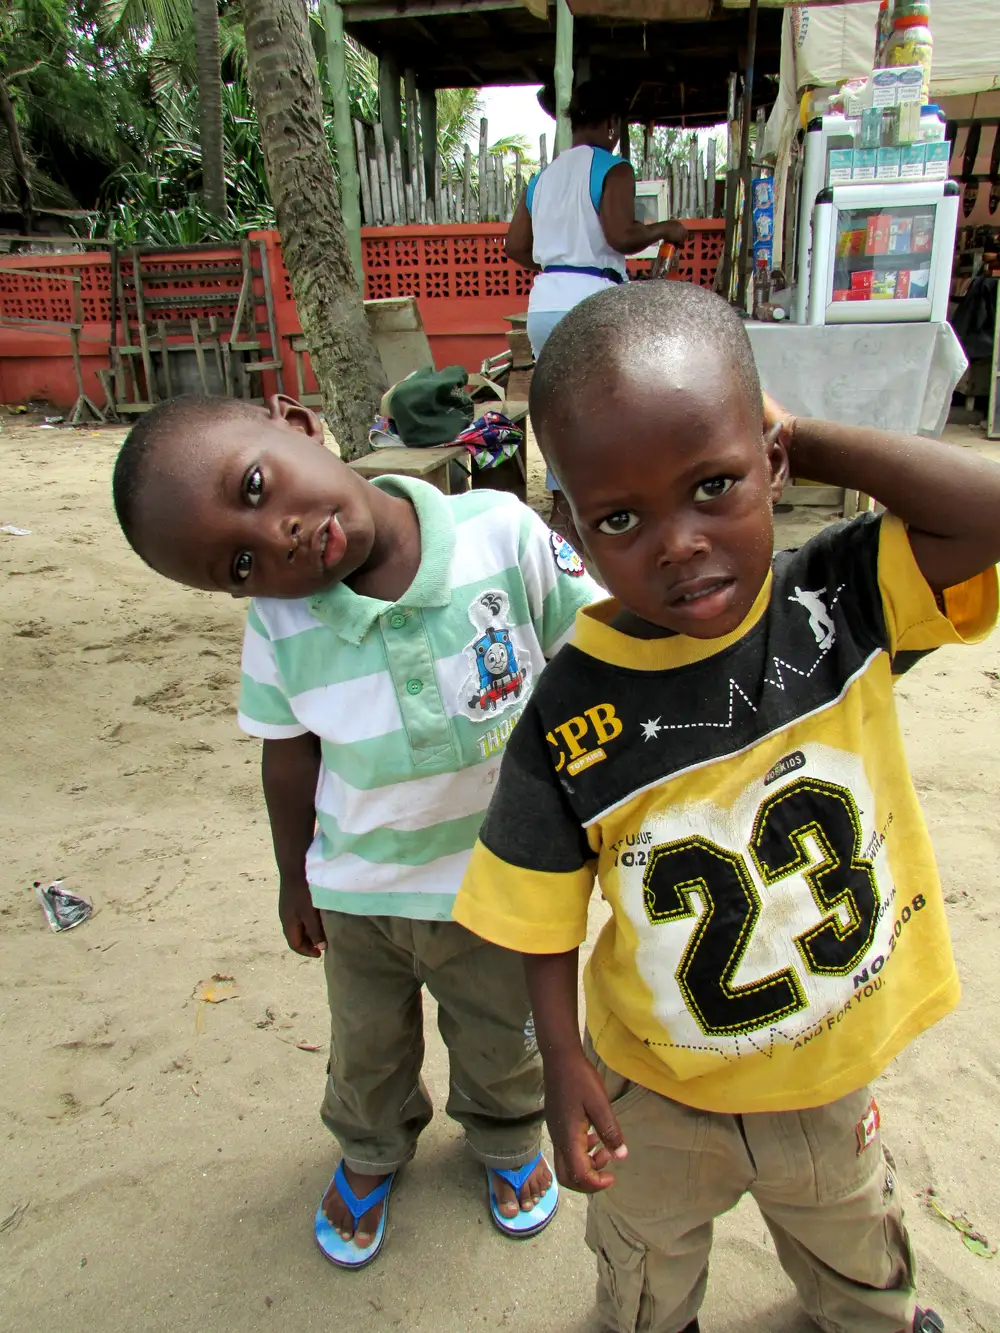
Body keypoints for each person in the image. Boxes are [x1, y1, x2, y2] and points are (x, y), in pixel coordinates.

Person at [454, 280, 999, 1333]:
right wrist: (560, 1061)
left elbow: (984, 517)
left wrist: (814, 438)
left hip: (828, 1064)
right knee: (645, 1264)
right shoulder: (569, 712)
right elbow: (537, 913)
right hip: (657, 1089)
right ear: (568, 525)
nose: (677, 540)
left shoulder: (838, 598)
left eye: (714, 483)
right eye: (620, 516)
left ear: (772, 461)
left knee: (850, 1233)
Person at [111, 393, 604, 1269]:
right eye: (238, 564)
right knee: (367, 1044)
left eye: (256, 486)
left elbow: (596, 652)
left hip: (497, 885)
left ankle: (501, 1134)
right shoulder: (282, 621)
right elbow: (288, 757)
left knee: (500, 1034)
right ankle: (373, 1146)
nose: (276, 539)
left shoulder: (501, 532)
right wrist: (293, 877)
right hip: (358, 892)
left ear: (297, 423)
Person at [505, 80, 687, 541]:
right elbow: (621, 236)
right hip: (592, 300)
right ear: (612, 124)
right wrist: (668, 227)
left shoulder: (542, 178)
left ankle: (564, 509)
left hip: (544, 302)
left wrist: (554, 261)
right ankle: (610, 507)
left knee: (560, 407)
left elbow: (515, 246)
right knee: (606, 406)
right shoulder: (613, 169)